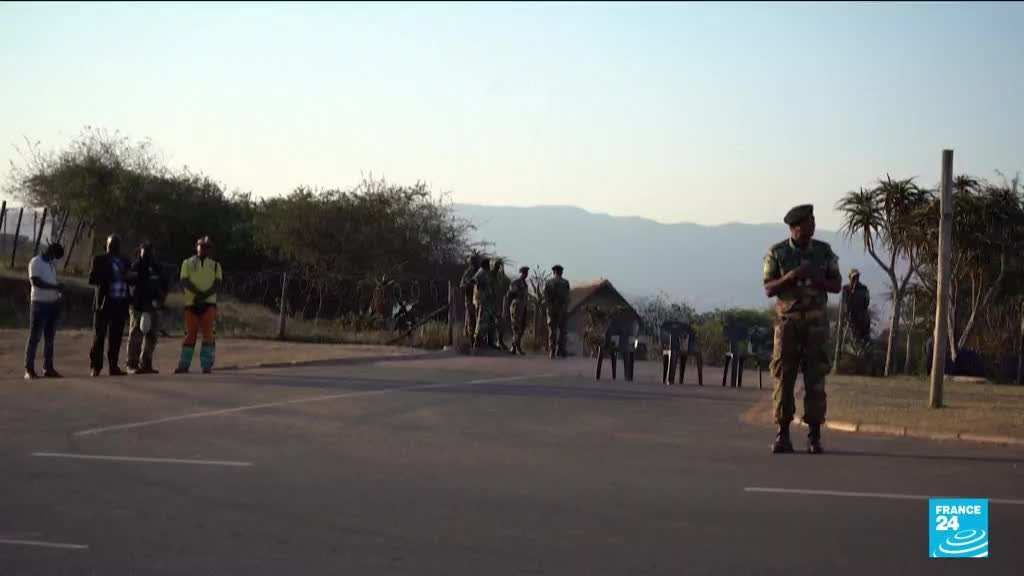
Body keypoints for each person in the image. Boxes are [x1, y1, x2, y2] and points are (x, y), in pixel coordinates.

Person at [763, 204, 842, 454]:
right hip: (788, 325)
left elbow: (836, 285)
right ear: (795, 227)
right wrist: (791, 276)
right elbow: (768, 288)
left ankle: (814, 436)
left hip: (815, 326)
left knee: (815, 380)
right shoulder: (777, 253)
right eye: (808, 221)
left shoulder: (823, 251)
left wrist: (816, 277)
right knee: (783, 379)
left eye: (813, 220)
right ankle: (782, 434)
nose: (813, 224)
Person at [88, 234, 135, 377]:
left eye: (117, 243)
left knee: (116, 337)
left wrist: (131, 277)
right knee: (99, 336)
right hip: (104, 303)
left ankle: (113, 366)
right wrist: (112, 276)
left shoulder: (125, 260)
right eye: (112, 243)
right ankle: (96, 367)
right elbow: (92, 279)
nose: (115, 246)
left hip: (120, 302)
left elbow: (131, 280)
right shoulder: (99, 259)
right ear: (107, 245)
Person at [176, 236, 222, 374]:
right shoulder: (187, 263)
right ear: (196, 246)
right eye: (202, 246)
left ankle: (206, 365)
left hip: (209, 304)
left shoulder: (215, 265)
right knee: (190, 335)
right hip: (191, 303)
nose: (204, 249)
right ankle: (183, 365)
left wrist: (204, 295)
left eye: (207, 247)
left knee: (208, 335)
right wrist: (198, 294)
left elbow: (217, 284)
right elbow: (184, 281)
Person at [126, 241, 168, 374]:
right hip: (138, 306)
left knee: (152, 335)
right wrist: (133, 301)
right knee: (136, 334)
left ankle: (146, 363)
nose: (148, 255)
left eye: (150, 252)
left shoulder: (157, 267)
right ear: (140, 252)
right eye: (145, 252)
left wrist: (161, 300)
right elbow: (129, 283)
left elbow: (164, 285)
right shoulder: (136, 266)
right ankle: (132, 364)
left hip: (153, 305)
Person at [24, 243, 65, 380]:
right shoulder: (36, 262)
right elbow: (36, 282)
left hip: (52, 304)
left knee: (50, 338)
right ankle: (29, 369)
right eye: (55, 256)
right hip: (39, 304)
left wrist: (58, 293)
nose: (55, 259)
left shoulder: (50, 265)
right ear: (51, 252)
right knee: (35, 337)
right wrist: (55, 287)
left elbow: (52, 282)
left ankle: (48, 368)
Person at [543, 264, 571, 359]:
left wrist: (549, 308)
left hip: (552, 310)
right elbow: (567, 297)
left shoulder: (549, 282)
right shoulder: (565, 282)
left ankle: (552, 351)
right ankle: (561, 350)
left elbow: (546, 297)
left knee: (552, 331)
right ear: (561, 272)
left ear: (554, 272)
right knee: (563, 331)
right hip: (562, 309)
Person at [505, 266, 530, 355]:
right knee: (516, 327)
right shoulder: (516, 282)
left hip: (523, 306)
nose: (526, 274)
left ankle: (516, 345)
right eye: (524, 272)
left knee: (522, 327)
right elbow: (510, 294)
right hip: (517, 306)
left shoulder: (525, 284)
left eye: (526, 273)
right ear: (521, 273)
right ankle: (514, 346)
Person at [842, 268, 871, 345]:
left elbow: (867, 302)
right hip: (850, 318)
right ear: (850, 278)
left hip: (862, 318)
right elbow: (845, 303)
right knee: (851, 340)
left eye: (857, 277)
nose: (856, 279)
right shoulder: (846, 289)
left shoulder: (864, 288)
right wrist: (852, 292)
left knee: (864, 340)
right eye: (854, 277)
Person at [471, 257, 494, 349]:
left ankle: (482, 341)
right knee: (481, 321)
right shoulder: (481, 272)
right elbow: (474, 280)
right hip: (481, 301)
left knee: (485, 322)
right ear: (486, 265)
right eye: (489, 265)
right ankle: (477, 342)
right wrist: (479, 290)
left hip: (485, 302)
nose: (490, 267)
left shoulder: (485, 273)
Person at [460, 255, 480, 343]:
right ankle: (470, 340)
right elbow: (462, 286)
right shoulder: (467, 274)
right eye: (474, 262)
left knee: (477, 321)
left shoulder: (479, 272)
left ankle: (476, 340)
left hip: (478, 301)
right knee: (470, 320)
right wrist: (470, 284)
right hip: (470, 300)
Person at [491, 259, 511, 350]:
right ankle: (489, 341)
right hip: (489, 303)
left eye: (499, 266)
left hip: (498, 303)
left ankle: (499, 341)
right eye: (497, 265)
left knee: (501, 323)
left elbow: (507, 282)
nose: (498, 267)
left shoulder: (501, 277)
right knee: (490, 323)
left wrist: (503, 270)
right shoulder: (489, 275)